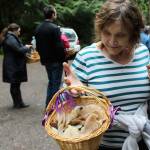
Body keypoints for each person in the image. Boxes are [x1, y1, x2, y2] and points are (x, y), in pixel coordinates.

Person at [63, 0, 150, 149]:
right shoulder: (86, 57)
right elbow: (63, 110)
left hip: (143, 141)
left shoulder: (143, 52)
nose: (112, 41)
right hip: (102, 145)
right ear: (99, 29)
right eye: (106, 33)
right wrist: (73, 95)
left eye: (120, 35)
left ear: (133, 34)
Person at [35, 5, 66, 108]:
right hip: (56, 61)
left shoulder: (38, 28)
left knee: (51, 82)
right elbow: (59, 46)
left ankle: (48, 105)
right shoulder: (54, 28)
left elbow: (37, 46)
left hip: (46, 60)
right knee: (56, 83)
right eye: (55, 13)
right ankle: (53, 106)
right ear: (52, 14)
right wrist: (64, 57)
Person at [1, 23, 32, 108]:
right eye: (19, 31)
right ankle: (17, 103)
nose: (19, 32)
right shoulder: (10, 38)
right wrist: (26, 47)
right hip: (12, 65)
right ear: (14, 30)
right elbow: (18, 49)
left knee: (16, 84)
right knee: (15, 84)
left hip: (13, 64)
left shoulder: (11, 37)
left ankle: (19, 102)